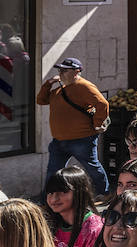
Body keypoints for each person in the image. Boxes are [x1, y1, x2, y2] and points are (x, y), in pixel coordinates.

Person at [35, 58, 109, 194]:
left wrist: (98, 124)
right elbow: (41, 100)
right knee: (53, 172)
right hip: (59, 140)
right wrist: (48, 83)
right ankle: (47, 199)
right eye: (60, 70)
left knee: (92, 168)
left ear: (77, 71)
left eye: (65, 70)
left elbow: (102, 104)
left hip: (82, 138)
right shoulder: (59, 89)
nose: (61, 73)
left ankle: (104, 193)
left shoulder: (84, 86)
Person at [44, 165, 102, 247]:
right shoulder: (49, 223)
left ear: (80, 192)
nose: (54, 198)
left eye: (63, 192)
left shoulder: (94, 229)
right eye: (50, 192)